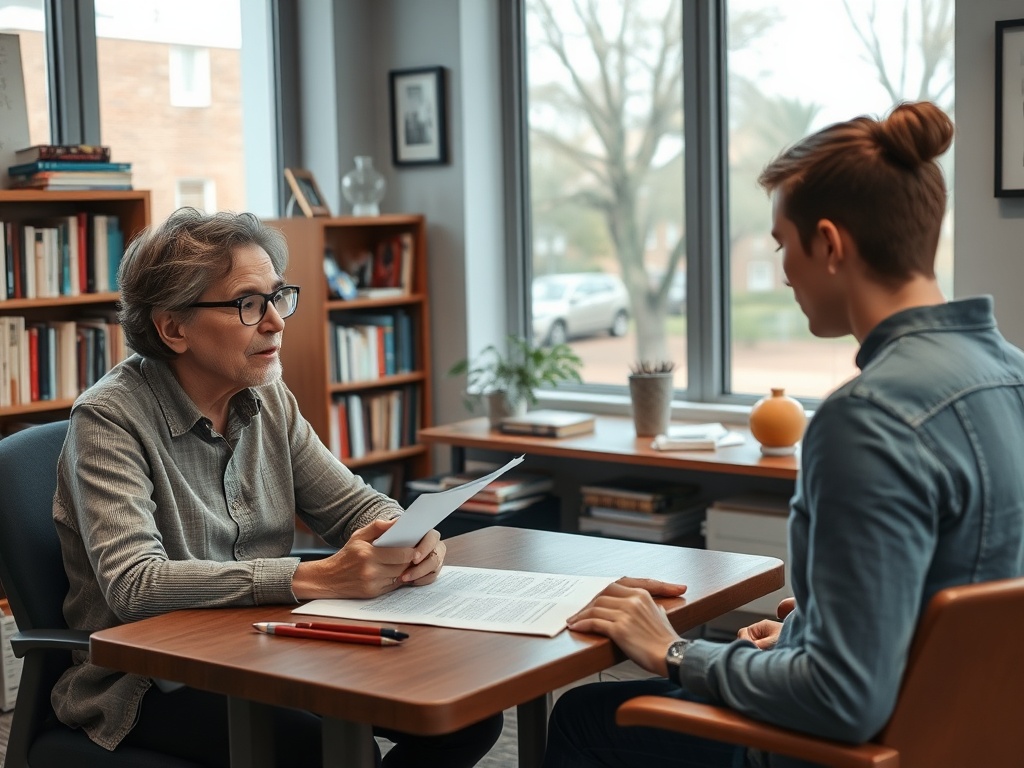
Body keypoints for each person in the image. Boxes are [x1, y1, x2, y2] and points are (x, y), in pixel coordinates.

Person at [542, 100, 1024, 768]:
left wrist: (675, 650)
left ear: (828, 244)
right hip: (974, 737)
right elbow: (960, 596)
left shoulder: (869, 419)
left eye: (781, 246)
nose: (784, 270)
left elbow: (843, 698)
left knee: (583, 717)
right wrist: (807, 630)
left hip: (851, 751)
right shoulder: (1013, 375)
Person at [51, 208, 503, 767]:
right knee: (323, 751)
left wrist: (408, 536)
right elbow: (134, 585)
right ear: (173, 327)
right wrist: (309, 576)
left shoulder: (266, 394)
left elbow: (353, 506)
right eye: (247, 303)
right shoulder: (108, 418)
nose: (275, 322)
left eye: (277, 296)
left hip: (271, 643)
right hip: (151, 678)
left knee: (465, 714)